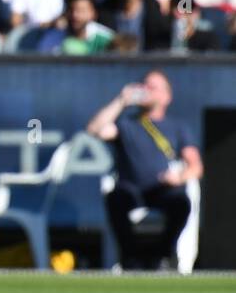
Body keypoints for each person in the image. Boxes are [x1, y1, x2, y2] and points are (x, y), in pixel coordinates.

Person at [86, 71, 203, 270]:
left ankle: (162, 254)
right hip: (132, 189)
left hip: (162, 189)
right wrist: (122, 101)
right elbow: (94, 130)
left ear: (167, 96)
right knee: (116, 198)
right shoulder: (127, 124)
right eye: (144, 86)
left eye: (153, 87)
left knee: (181, 203)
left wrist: (179, 177)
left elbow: (195, 166)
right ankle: (130, 257)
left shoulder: (177, 127)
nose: (147, 91)